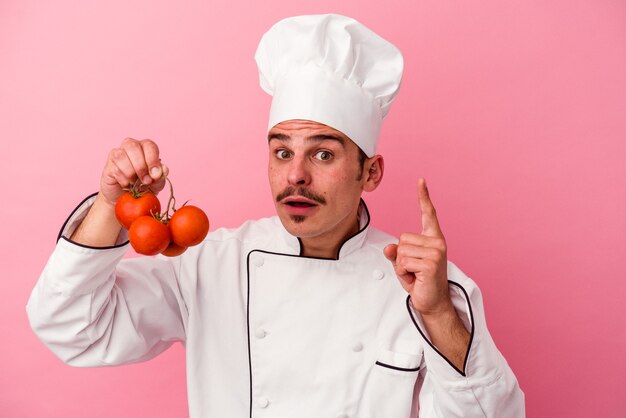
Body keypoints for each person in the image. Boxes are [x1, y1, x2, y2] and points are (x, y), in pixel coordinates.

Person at [27, 13, 525, 418]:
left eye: (324, 154)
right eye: (282, 153)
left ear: (370, 172)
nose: (297, 176)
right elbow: (71, 327)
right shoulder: (210, 265)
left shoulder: (423, 286)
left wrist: (438, 315)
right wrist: (111, 204)